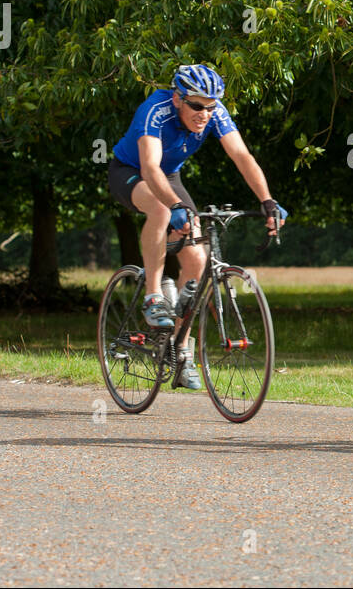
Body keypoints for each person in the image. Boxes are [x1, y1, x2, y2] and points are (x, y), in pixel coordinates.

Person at [107, 64, 286, 388]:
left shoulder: (213, 113)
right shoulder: (155, 110)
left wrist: (267, 201)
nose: (204, 113)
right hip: (131, 172)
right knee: (161, 212)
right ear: (178, 98)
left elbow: (242, 156)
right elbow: (150, 167)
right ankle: (152, 297)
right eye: (197, 106)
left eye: (211, 106)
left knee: (198, 261)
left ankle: (178, 351)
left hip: (169, 177)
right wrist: (175, 206)